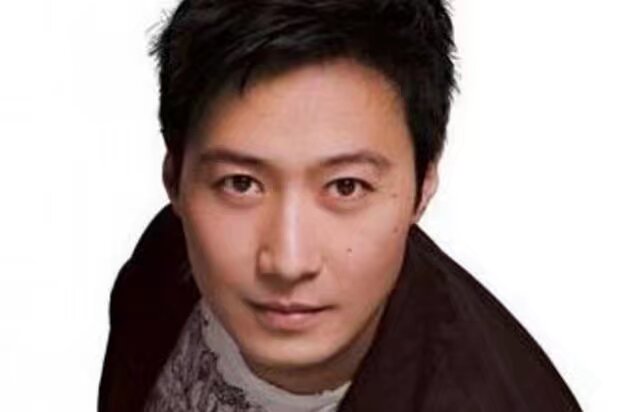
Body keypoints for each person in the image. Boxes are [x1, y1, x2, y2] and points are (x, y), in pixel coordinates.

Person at [99, 0, 582, 411]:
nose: (288, 262)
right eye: (242, 184)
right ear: (176, 179)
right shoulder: (165, 258)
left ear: (423, 186)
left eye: (346, 187)